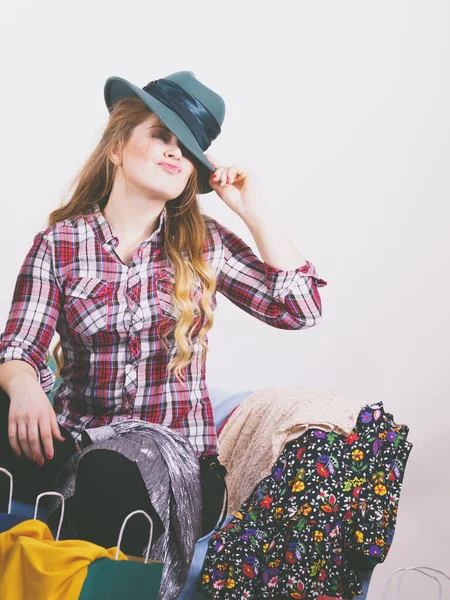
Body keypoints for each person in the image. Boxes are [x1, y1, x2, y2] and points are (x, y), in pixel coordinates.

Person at [0, 71, 328, 559]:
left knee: (109, 471)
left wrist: (251, 208)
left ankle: (70, 551)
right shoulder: (60, 244)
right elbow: (19, 348)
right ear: (117, 147)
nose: (176, 152)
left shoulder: (203, 244)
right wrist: (26, 385)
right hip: (75, 445)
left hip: (176, 466)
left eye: (188, 150)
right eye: (161, 136)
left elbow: (300, 310)